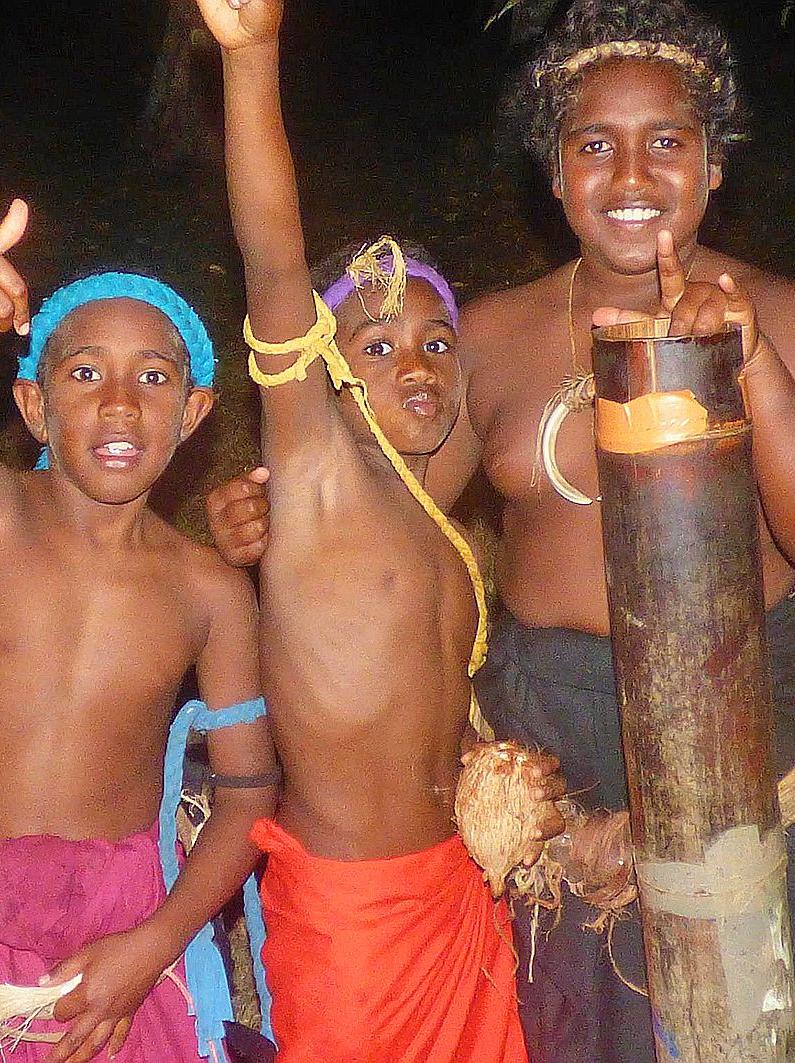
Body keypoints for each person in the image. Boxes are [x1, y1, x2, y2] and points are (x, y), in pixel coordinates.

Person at [207, 1, 795, 1060]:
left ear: (714, 167)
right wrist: (273, 519)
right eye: (593, 144)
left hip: (737, 726)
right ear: (554, 173)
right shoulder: (490, 335)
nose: (630, 174)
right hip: (547, 737)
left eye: (667, 141)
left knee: (739, 1022)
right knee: (563, 1024)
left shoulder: (783, 316)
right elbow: (395, 507)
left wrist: (749, 366)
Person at [193, 1, 569, 1060]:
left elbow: (416, 699)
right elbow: (274, 257)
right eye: (377, 343)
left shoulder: (434, 518)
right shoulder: (314, 474)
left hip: (455, 892)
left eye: (439, 343)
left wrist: (494, 773)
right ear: (319, 366)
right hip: (353, 916)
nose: (417, 365)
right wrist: (254, 56)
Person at [0, 198, 278, 1063]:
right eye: (85, 374)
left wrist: (153, 945)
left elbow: (247, 794)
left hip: (122, 922)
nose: (119, 403)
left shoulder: (209, 589)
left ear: (192, 415)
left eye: (153, 377)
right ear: (35, 405)